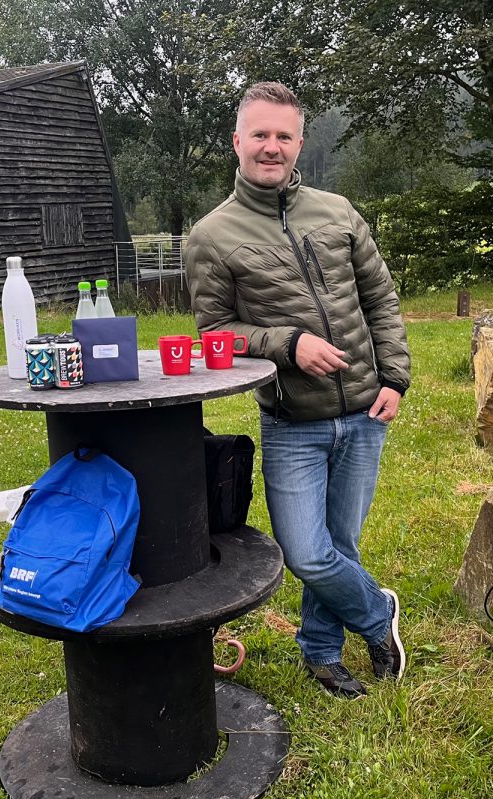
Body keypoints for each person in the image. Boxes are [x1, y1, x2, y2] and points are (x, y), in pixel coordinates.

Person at [185, 82, 412, 698]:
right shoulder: (211, 234)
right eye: (259, 134)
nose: (271, 146)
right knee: (306, 553)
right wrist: (288, 345)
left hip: (366, 410)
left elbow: (380, 300)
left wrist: (393, 377)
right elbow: (214, 333)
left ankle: (320, 650)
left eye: (283, 136)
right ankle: (376, 614)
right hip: (292, 420)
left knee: (340, 544)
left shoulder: (337, 212)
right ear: (237, 141)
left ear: (299, 143)